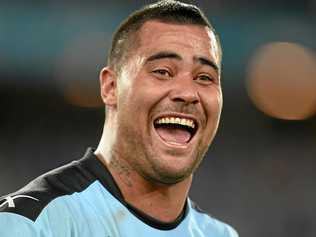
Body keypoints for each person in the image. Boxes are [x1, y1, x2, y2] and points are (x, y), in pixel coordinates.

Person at [0, 1, 238, 236]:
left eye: (205, 77)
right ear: (111, 87)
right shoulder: (31, 225)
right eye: (162, 72)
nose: (187, 93)